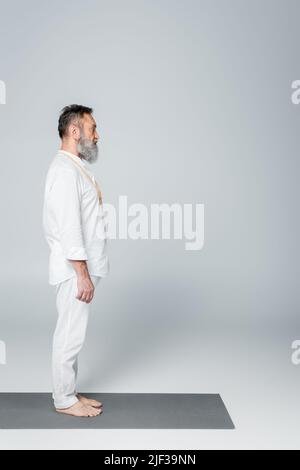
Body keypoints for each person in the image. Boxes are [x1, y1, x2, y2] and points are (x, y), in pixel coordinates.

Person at [42, 104, 109, 417]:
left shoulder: (74, 167)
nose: (97, 135)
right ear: (74, 131)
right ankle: (64, 399)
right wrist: (82, 274)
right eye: (92, 128)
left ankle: (69, 390)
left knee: (74, 332)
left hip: (80, 269)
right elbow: (69, 228)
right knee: (69, 334)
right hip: (74, 272)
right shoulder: (65, 171)